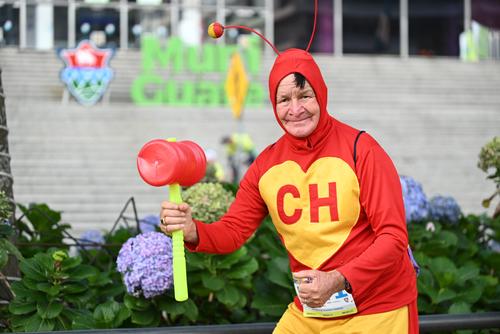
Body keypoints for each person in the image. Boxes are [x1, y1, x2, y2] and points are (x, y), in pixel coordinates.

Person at [160, 11, 418, 334]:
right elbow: (234, 231)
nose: (295, 109)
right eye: (284, 99)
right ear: (273, 104)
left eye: (304, 95)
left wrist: (338, 279)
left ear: (320, 95)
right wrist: (193, 229)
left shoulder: (363, 149)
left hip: (380, 309)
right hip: (313, 311)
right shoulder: (265, 166)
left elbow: (394, 238)